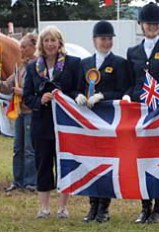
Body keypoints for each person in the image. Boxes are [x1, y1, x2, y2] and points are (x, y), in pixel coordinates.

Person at [124, 2, 159, 224]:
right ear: (141, 25)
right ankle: (144, 206)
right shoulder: (133, 52)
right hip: (139, 110)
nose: (152, 27)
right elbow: (130, 82)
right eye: (148, 23)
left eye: (156, 23)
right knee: (141, 159)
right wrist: (128, 95)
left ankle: (158, 209)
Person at [23, 26, 81, 219]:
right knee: (43, 164)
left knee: (64, 164)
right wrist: (40, 100)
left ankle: (63, 207)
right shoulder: (32, 67)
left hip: (65, 124)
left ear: (60, 43)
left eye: (53, 40)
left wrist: (63, 96)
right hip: (41, 124)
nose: (50, 44)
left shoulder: (73, 63)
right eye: (46, 40)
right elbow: (27, 96)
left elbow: (77, 90)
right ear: (41, 43)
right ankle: (44, 207)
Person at [75, 21, 129, 223]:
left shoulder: (119, 63)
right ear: (94, 40)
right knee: (91, 164)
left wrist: (102, 95)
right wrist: (79, 96)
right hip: (89, 123)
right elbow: (77, 87)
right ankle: (92, 206)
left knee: (106, 164)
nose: (106, 42)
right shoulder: (85, 63)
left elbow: (123, 90)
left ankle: (104, 207)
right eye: (102, 38)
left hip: (108, 120)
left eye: (109, 39)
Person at [0, 33, 37, 192]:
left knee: (29, 148)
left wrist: (21, 91)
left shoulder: (37, 66)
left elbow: (38, 89)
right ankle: (18, 180)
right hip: (20, 111)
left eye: (24, 47)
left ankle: (30, 182)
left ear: (33, 47)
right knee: (17, 148)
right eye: (20, 47)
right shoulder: (19, 66)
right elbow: (8, 85)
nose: (20, 50)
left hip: (31, 111)